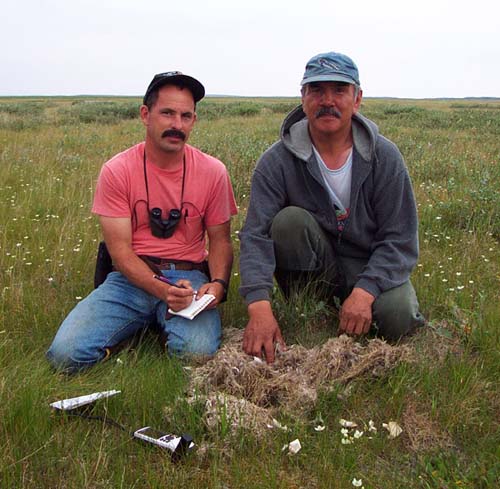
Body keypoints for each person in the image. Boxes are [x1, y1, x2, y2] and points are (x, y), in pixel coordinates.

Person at [239, 51, 424, 363]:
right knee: (288, 222)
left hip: (368, 264)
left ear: (357, 98)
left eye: (339, 90)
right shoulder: (276, 161)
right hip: (316, 266)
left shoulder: (385, 157)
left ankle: (357, 304)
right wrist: (258, 307)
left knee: (399, 319)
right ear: (303, 97)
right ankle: (309, 306)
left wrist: (366, 291)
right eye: (317, 90)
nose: (328, 100)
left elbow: (400, 239)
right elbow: (255, 236)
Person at [47, 71, 237, 372]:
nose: (177, 125)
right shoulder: (117, 171)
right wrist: (163, 291)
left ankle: (154, 328)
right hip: (131, 279)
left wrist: (217, 285)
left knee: (196, 356)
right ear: (145, 115)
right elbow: (120, 254)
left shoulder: (213, 172)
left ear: (194, 121)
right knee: (65, 356)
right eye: (167, 113)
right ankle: (146, 325)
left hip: (190, 280)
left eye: (186, 116)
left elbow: (221, 241)